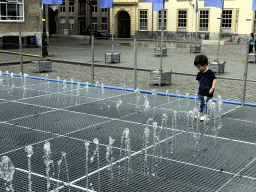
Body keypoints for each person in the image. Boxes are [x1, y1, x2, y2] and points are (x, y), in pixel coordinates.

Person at [194, 55, 217, 121]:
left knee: (207, 104)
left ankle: (207, 115)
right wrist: (198, 74)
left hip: (208, 92)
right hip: (201, 92)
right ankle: (200, 113)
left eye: (199, 67)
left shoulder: (210, 72)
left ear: (205, 65)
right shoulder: (200, 72)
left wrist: (212, 88)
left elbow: (214, 80)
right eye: (197, 67)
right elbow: (198, 80)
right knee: (200, 103)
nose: (198, 68)